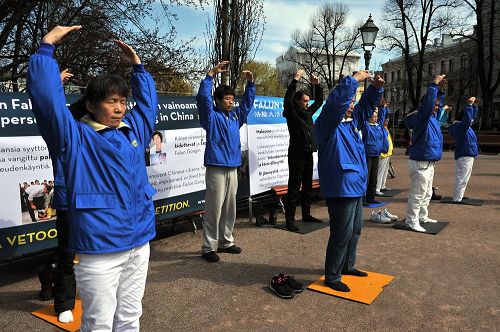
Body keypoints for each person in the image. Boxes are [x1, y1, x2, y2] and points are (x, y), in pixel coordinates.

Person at [28, 25, 158, 331]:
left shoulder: (132, 132)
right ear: (89, 105)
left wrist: (138, 68)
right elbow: (47, 103)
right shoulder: (73, 137)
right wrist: (47, 46)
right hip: (100, 249)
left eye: (123, 102)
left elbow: (148, 107)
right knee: (98, 323)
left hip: (139, 243)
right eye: (111, 101)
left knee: (130, 318)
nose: (119, 108)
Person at [315, 71, 384, 292]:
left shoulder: (352, 124)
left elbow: (365, 107)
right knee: (341, 232)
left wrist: (375, 89)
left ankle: (347, 266)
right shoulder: (328, 123)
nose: (352, 106)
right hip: (341, 186)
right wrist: (353, 80)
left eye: (353, 102)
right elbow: (336, 104)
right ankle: (332, 276)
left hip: (355, 186)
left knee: (355, 229)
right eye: (349, 102)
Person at [196, 61, 255, 263]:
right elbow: (203, 98)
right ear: (218, 101)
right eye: (227, 99)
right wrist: (210, 75)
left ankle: (226, 242)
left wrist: (251, 84)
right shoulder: (211, 117)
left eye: (232, 99)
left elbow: (246, 104)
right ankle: (208, 247)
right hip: (216, 167)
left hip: (232, 167)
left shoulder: (236, 117)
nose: (231, 102)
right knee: (214, 208)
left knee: (230, 207)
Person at [403, 74, 447, 232]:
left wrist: (440, 92)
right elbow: (429, 105)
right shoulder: (422, 118)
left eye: (437, 105)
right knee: (418, 193)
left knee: (427, 192)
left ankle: (422, 215)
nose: (436, 108)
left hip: (429, 162)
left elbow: (436, 106)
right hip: (421, 162)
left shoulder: (433, 118)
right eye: (434, 105)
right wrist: (433, 85)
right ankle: (411, 220)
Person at [282, 69, 324, 231]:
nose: (308, 103)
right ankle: (290, 220)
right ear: (297, 101)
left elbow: (319, 101)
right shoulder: (292, 112)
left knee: (308, 186)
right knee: (294, 186)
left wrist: (317, 85)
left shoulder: (307, 112)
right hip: (297, 154)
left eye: (308, 100)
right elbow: (287, 98)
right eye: (305, 100)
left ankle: (306, 214)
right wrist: (296, 79)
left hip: (308, 153)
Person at [448, 97, 480, 202]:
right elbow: (468, 119)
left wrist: (474, 106)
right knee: (462, 177)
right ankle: (457, 197)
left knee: (464, 177)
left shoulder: (463, 126)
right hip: (465, 154)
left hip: (467, 154)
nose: (472, 120)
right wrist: (469, 105)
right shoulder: (461, 126)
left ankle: (459, 195)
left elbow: (470, 118)